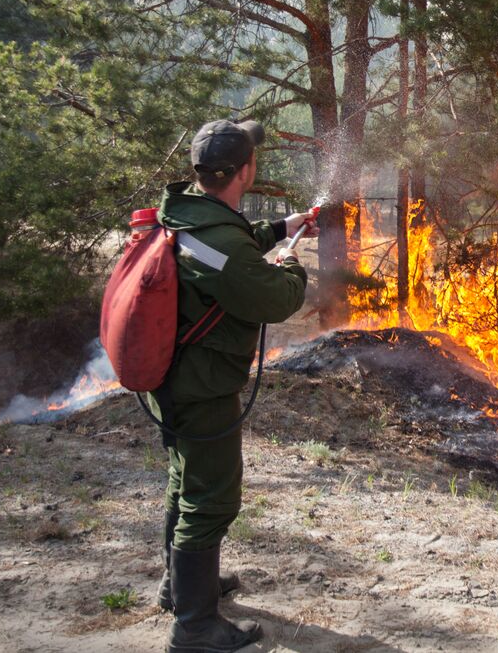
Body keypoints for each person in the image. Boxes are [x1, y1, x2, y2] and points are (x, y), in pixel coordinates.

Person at [147, 119, 317, 653]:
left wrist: (280, 228)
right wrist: (290, 264)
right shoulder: (216, 240)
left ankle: (181, 587)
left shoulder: (182, 212)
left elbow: (227, 249)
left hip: (172, 380)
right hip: (201, 387)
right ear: (245, 171)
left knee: (184, 480)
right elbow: (270, 296)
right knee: (211, 498)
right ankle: (195, 627)